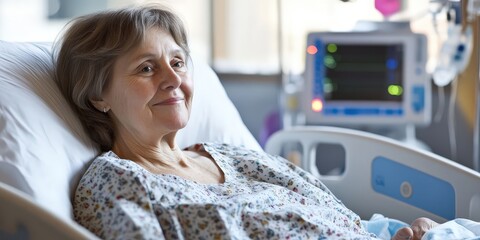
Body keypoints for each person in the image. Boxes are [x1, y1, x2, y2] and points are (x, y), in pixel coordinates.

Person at [55, 5, 440, 240]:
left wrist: (407, 229)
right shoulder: (116, 183)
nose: (173, 79)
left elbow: (346, 223)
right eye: (146, 68)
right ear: (97, 97)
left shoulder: (233, 156)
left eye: (177, 62)